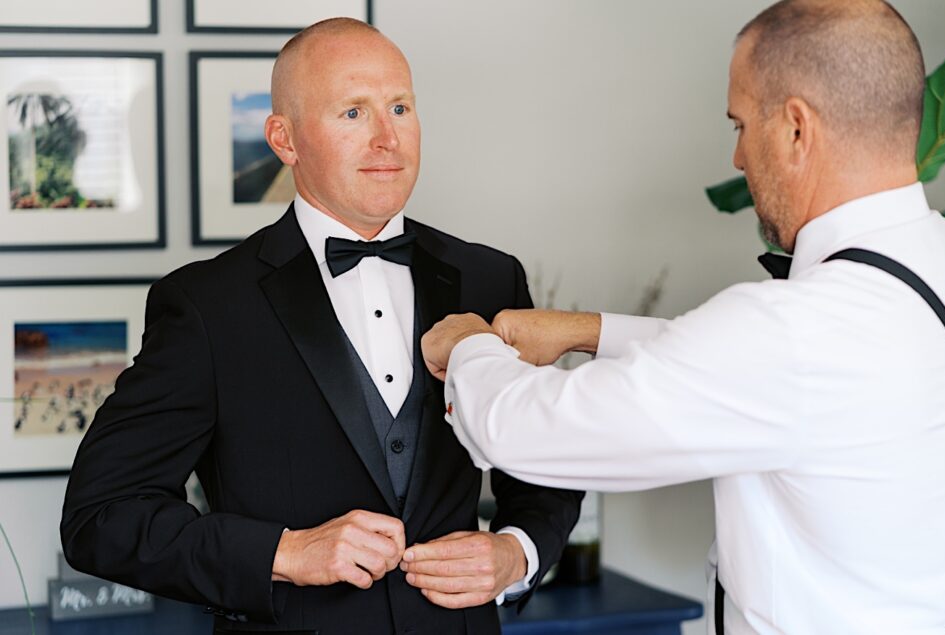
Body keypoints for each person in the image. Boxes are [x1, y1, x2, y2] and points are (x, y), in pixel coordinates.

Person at [418, 2, 945, 632]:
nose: (738, 158)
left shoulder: (793, 334)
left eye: (741, 124)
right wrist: (587, 331)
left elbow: (521, 432)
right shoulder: (937, 256)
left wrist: (470, 343)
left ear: (796, 129)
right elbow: (752, 371)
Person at [59, 19, 583, 634]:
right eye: (353, 114)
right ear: (284, 139)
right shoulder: (205, 305)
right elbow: (101, 516)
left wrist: (516, 552)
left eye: (399, 107)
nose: (388, 138)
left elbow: (548, 465)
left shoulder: (491, 279)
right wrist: (285, 552)